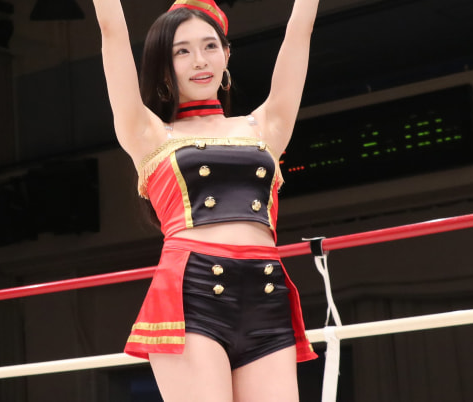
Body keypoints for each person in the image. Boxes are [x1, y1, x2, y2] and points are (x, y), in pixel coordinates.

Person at [90, 0, 319, 400]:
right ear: (163, 65)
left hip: (265, 291)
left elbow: (300, 32)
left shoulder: (264, 125)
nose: (200, 60)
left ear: (227, 54)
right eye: (182, 51)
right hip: (192, 293)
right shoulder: (148, 133)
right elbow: (111, 30)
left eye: (210, 46)